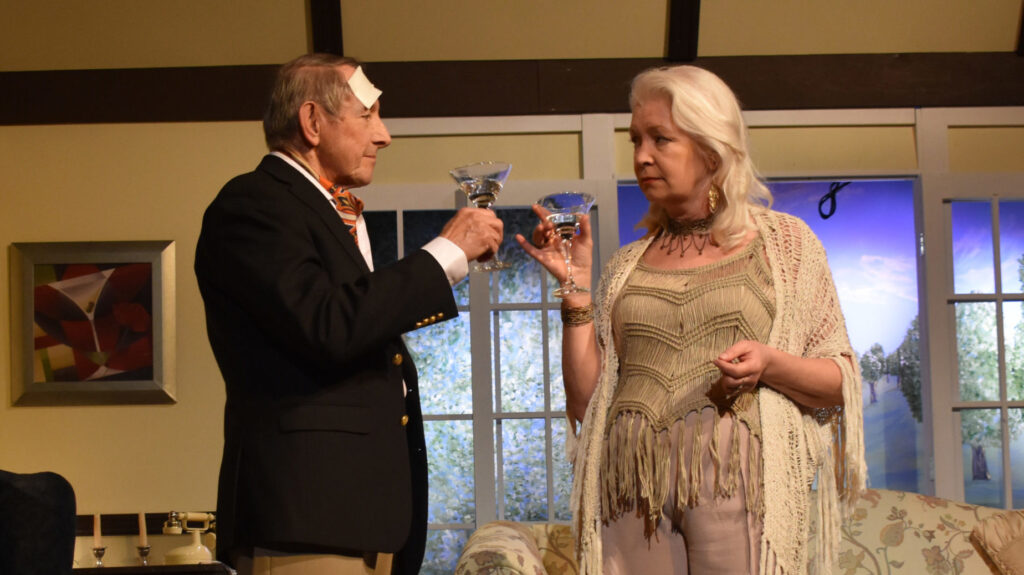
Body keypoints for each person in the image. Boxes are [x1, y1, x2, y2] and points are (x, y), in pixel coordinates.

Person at [517, 65, 865, 574]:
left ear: (711, 148)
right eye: (636, 139)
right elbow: (587, 404)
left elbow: (841, 381)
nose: (641, 155)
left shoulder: (785, 245)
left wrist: (769, 364)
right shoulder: (626, 266)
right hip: (627, 492)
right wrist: (575, 288)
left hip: (737, 486)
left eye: (660, 138)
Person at [194, 53, 503, 575]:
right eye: (368, 115)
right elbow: (328, 326)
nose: (384, 136)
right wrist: (445, 253)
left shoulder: (331, 211)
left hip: (363, 523)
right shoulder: (253, 204)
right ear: (313, 122)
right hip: (306, 524)